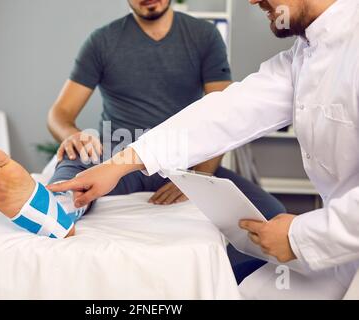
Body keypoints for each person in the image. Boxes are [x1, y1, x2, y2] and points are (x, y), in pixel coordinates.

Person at [42, 0, 359, 299]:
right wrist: (118, 164)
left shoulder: (203, 36)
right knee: (78, 161)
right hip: (338, 248)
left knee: (262, 224)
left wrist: (301, 237)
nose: (251, 1)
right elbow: (225, 112)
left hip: (338, 238)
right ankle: (56, 205)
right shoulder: (305, 52)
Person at [0, 0, 286, 282]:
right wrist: (73, 136)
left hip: (184, 162)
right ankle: (55, 210)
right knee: (81, 156)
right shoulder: (103, 41)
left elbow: (223, 112)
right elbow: (59, 114)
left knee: (269, 215)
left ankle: (226, 283)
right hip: (117, 156)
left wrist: (200, 174)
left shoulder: (204, 36)